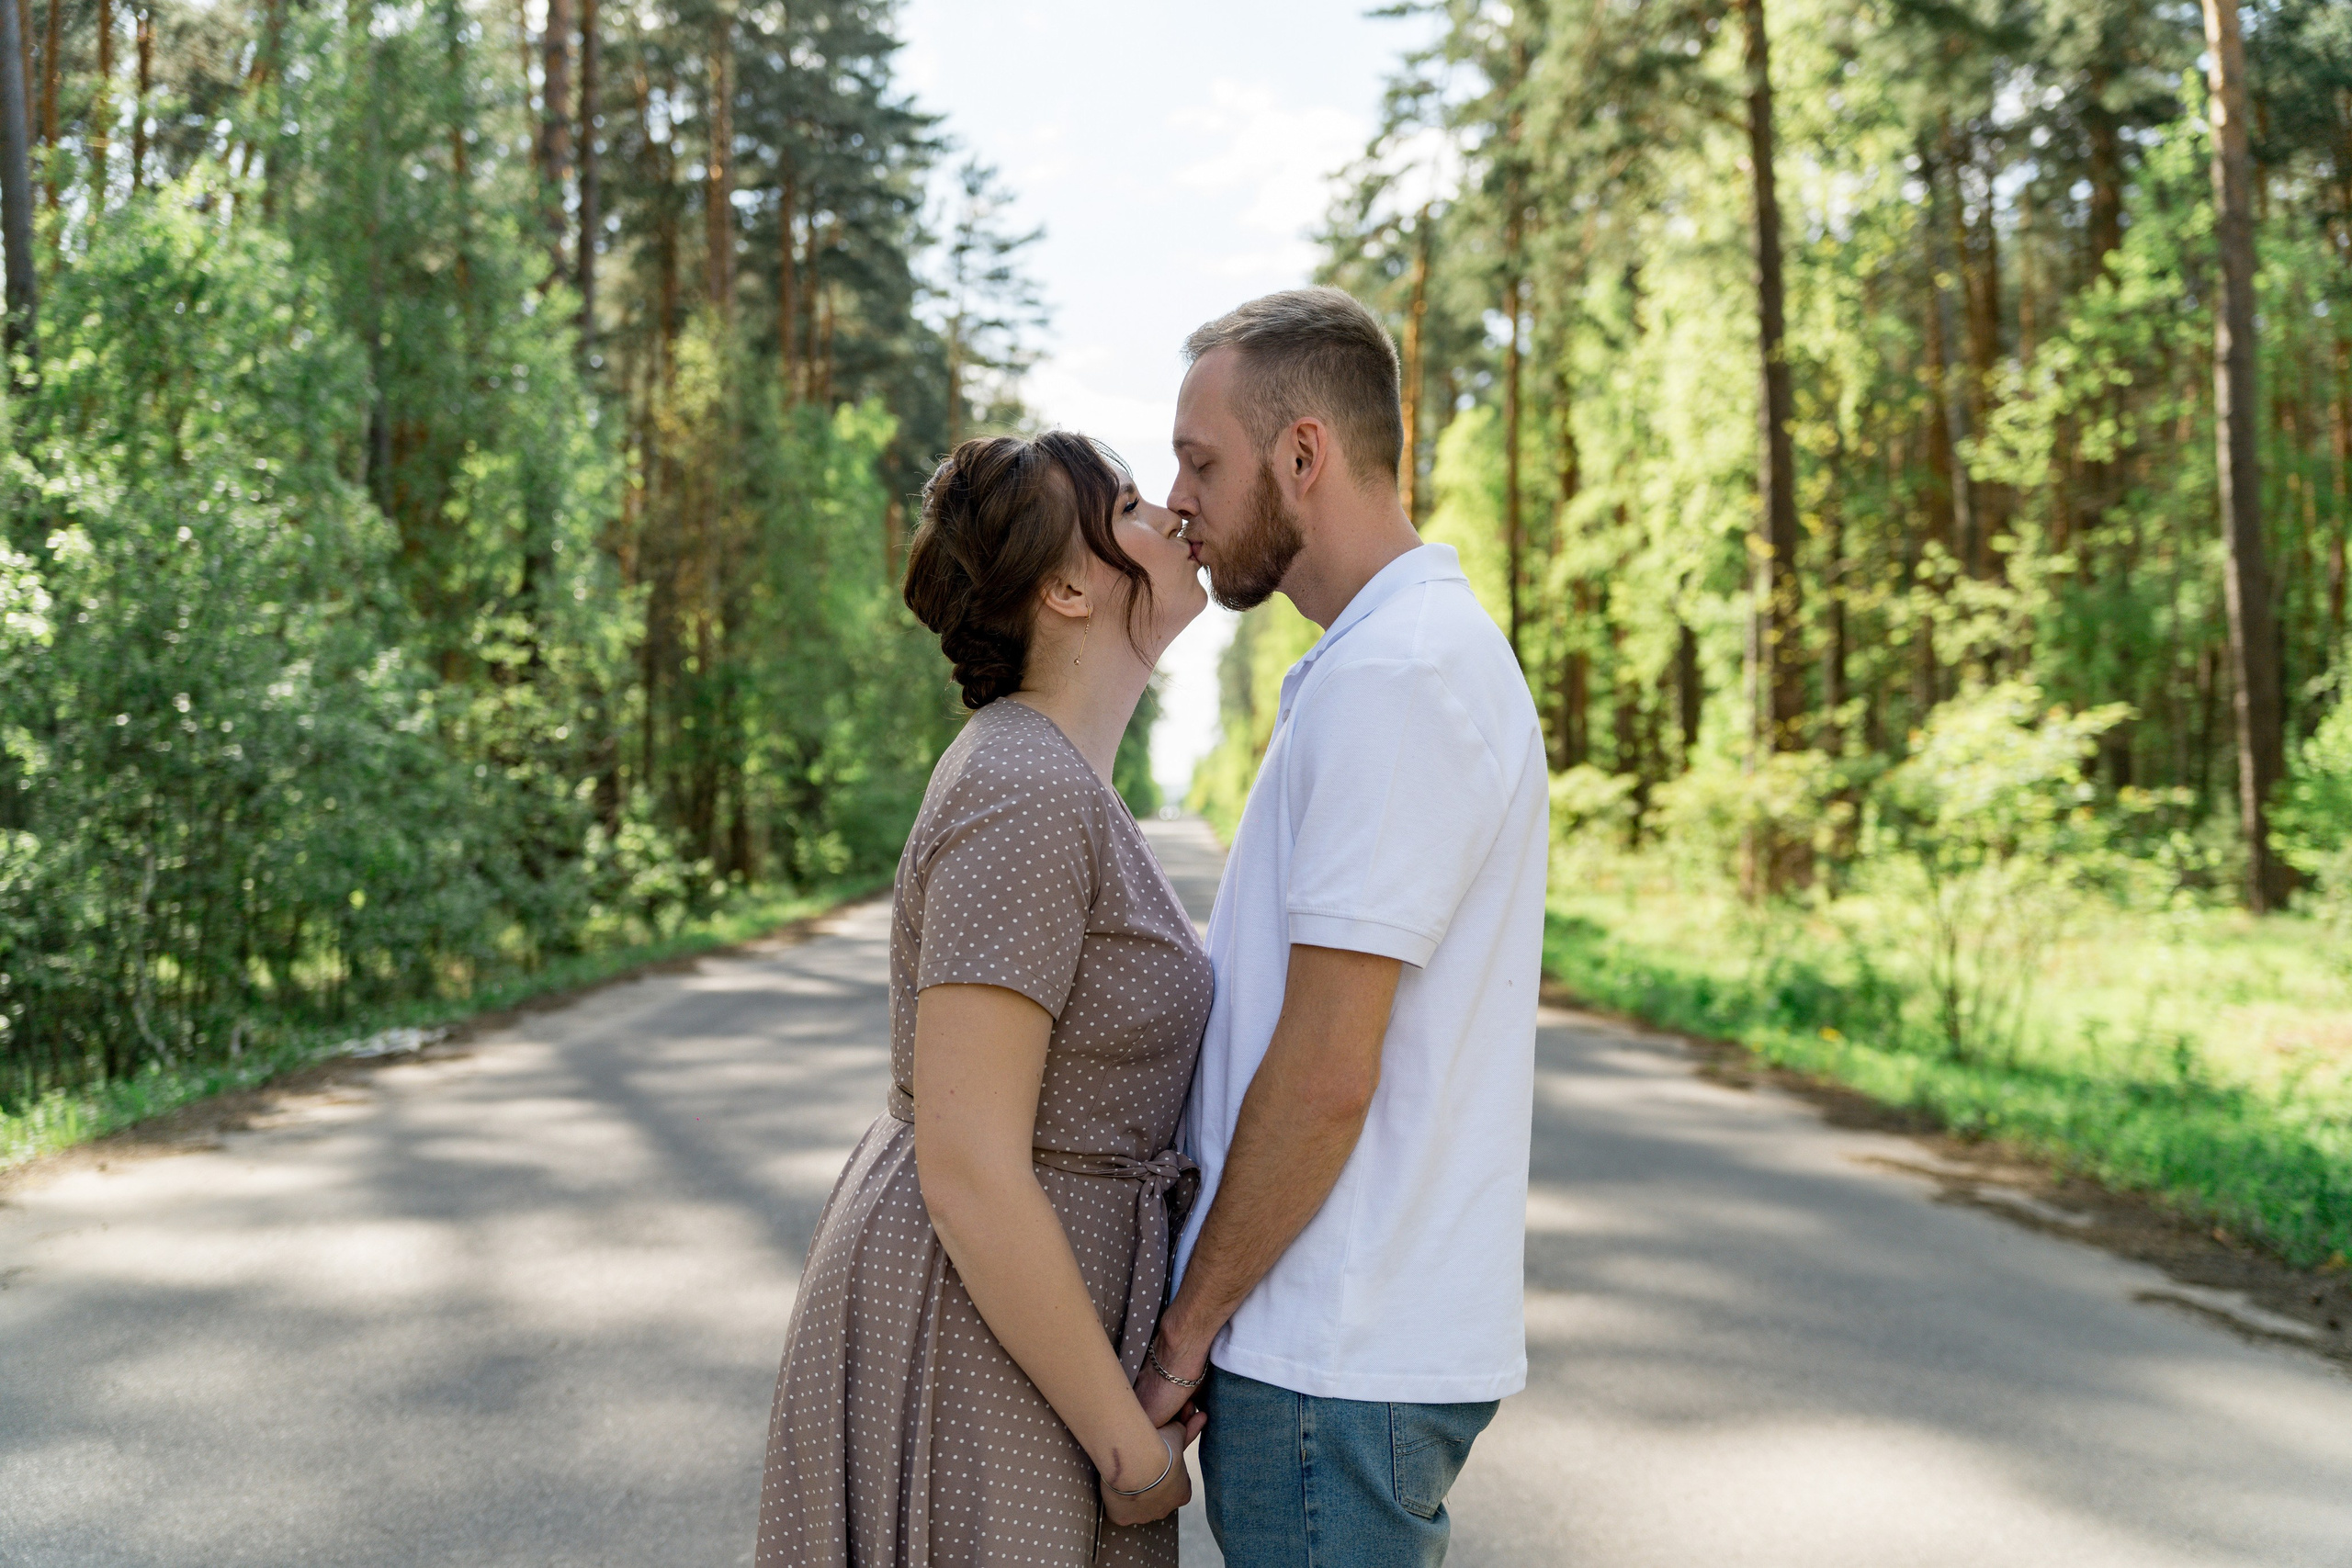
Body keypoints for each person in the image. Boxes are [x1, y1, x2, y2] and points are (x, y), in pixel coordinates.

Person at [1138, 288, 1549, 1566]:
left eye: (1201, 461)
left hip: (1333, 1355)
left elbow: (1325, 1069)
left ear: (1302, 454)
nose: (1178, 500)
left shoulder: (1399, 675)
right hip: (1333, 1354)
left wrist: (1178, 1333)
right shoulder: (1376, 660)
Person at [758, 430, 1213, 1565]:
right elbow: (967, 1167)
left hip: (1019, 1327)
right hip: (983, 1338)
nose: (1170, 512)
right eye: (1128, 505)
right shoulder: (1023, 787)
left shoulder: (1056, 777)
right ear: (1066, 586)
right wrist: (1130, 1451)